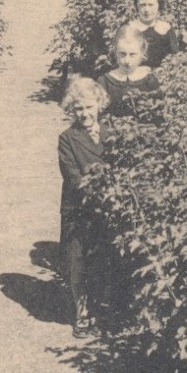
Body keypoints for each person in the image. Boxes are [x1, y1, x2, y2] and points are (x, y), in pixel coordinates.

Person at [57, 76, 107, 337]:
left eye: (89, 107)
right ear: (71, 110)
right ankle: (82, 313)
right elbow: (73, 175)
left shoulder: (113, 133)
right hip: (78, 208)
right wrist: (104, 188)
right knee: (77, 261)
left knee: (99, 260)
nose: (85, 114)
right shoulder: (67, 138)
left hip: (107, 208)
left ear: (99, 103)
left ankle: (100, 311)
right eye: (78, 108)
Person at [98, 24, 162, 119]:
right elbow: (99, 115)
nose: (127, 60)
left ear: (142, 53)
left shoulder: (150, 80)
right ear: (115, 52)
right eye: (122, 54)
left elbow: (158, 114)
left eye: (132, 55)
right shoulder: (105, 82)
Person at [127, 0, 182, 69]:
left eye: (151, 5)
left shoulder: (166, 29)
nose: (147, 9)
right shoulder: (130, 29)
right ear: (136, 6)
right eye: (142, 5)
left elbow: (174, 60)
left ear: (159, 5)